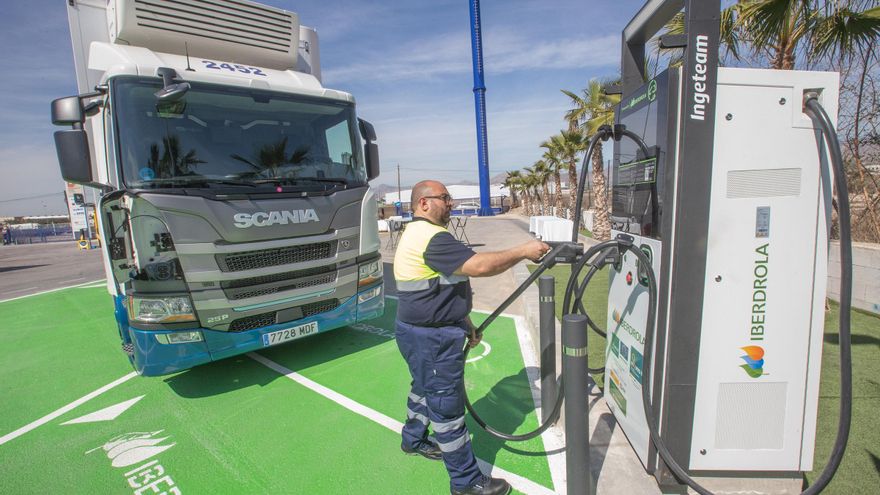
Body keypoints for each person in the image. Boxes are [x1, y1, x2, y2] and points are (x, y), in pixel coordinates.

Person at [393, 180, 550, 495]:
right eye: (445, 198)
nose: (450, 204)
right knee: (446, 410)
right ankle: (466, 483)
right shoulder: (432, 237)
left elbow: (441, 287)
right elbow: (478, 266)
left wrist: (466, 324)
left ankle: (412, 439)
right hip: (432, 339)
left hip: (417, 331)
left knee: (422, 389)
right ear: (424, 203)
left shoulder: (415, 233)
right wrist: (524, 250)